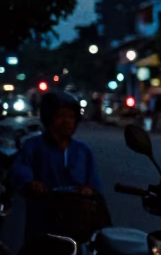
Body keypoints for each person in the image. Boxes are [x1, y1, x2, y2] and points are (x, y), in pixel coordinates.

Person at [9, 90, 104, 245]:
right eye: (60, 116)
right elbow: (20, 169)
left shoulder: (83, 150)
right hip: (43, 214)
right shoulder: (33, 146)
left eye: (71, 117)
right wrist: (30, 183)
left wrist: (90, 191)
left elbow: (94, 181)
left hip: (77, 216)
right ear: (49, 118)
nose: (66, 121)